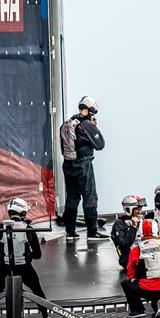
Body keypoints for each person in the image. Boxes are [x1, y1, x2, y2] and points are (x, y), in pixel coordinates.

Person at [0, 198, 53, 318]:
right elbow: (37, 255)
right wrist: (27, 255)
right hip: (24, 268)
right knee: (37, 291)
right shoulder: (28, 229)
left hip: (4, 269)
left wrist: (4, 264)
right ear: (22, 213)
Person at [60, 96, 105, 238]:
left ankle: (70, 231)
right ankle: (92, 232)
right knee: (90, 196)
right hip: (83, 165)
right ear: (90, 110)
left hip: (68, 165)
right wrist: (94, 127)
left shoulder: (67, 123)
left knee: (72, 197)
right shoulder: (86, 125)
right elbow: (100, 145)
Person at [111, 195, 146, 269]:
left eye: (140, 209)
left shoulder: (141, 220)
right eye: (137, 209)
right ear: (128, 209)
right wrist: (133, 227)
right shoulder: (119, 224)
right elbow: (124, 244)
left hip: (142, 255)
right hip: (128, 260)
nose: (140, 211)